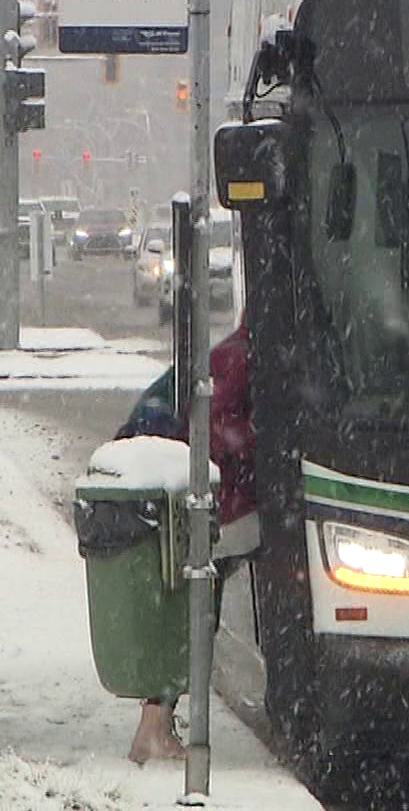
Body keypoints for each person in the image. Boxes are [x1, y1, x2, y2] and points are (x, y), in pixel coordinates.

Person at [116, 322, 257, 764]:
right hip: (177, 491)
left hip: (178, 487)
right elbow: (215, 431)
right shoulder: (240, 360)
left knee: (192, 609)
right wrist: (260, 447)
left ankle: (155, 726)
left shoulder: (240, 354)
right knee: (191, 611)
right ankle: (153, 730)